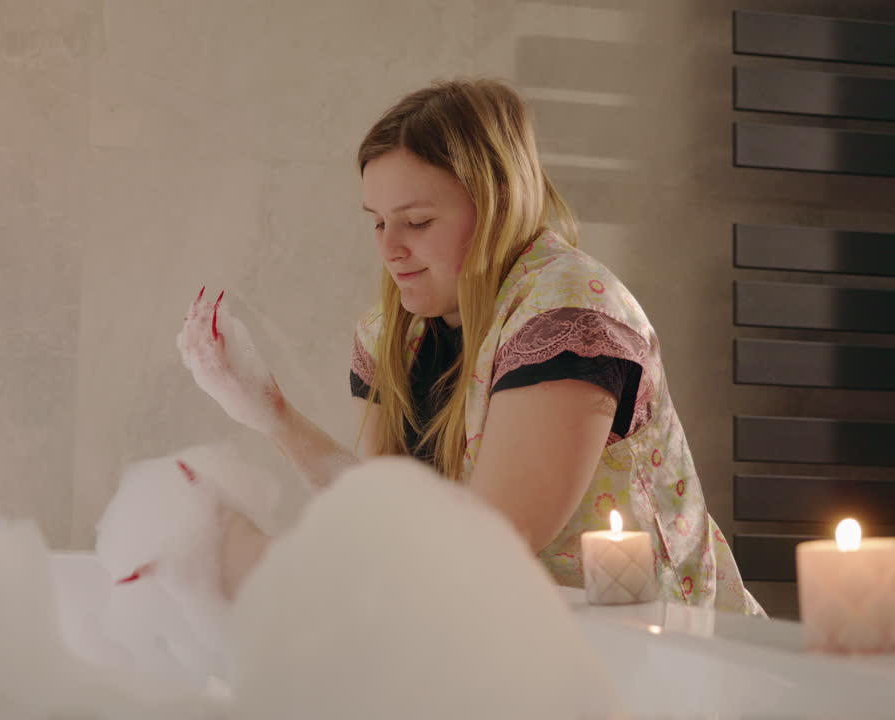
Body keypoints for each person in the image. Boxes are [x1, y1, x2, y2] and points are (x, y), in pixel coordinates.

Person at [177, 78, 763, 615]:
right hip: (509, 641)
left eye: (417, 221)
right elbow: (384, 518)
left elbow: (488, 543)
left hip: (657, 654)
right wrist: (270, 412)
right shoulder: (391, 333)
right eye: (377, 221)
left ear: (496, 206)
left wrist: (254, 563)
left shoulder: (568, 316)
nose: (389, 248)